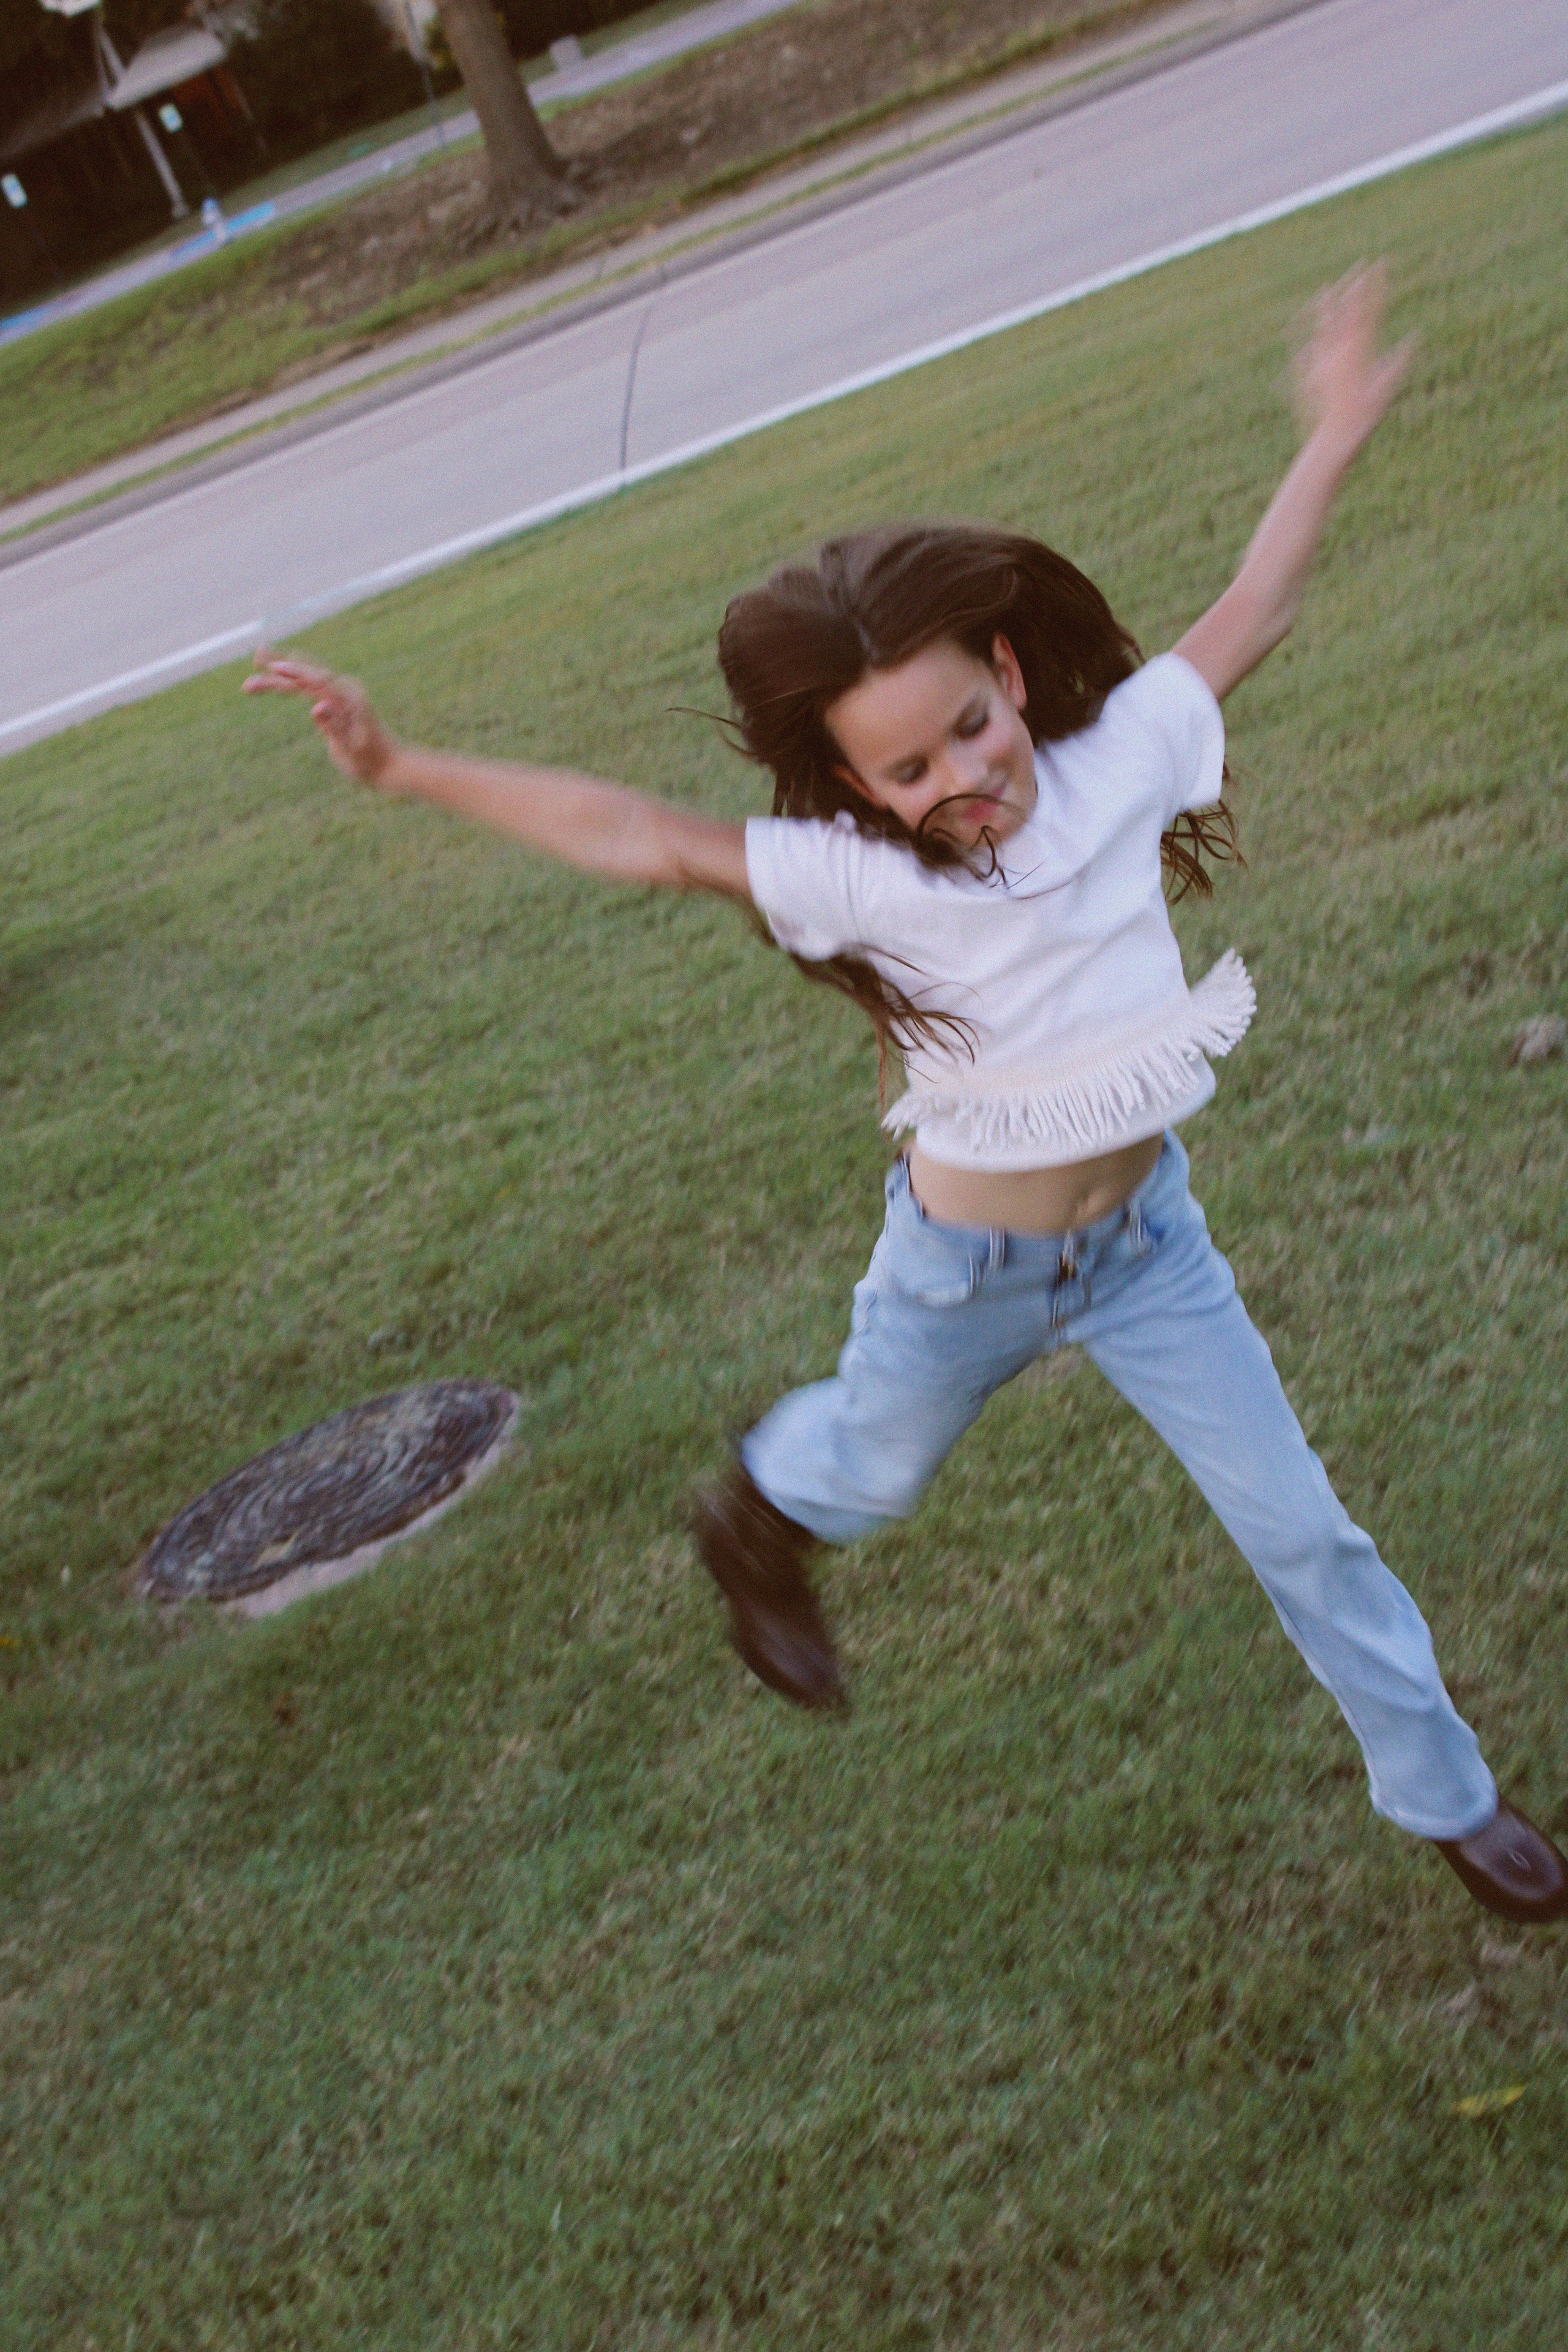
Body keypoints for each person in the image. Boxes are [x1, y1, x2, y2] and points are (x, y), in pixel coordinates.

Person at [245, 266, 1565, 1925]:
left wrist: (1331, 431)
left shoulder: (1118, 760)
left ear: (1011, 672)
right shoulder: (857, 881)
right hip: (963, 1275)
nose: (965, 780)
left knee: (1304, 1528)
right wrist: (403, 763)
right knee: (862, 1478)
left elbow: (1256, 607)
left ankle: (1450, 1799)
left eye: (971, 725)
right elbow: (634, 833)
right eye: (911, 770)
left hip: (1150, 1252)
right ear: (858, 787)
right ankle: (755, 1515)